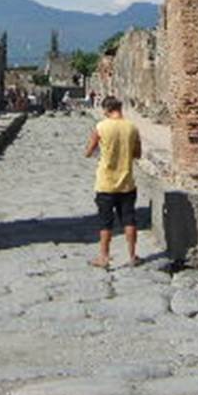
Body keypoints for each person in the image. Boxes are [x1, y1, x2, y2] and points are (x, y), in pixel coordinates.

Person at [85, 96, 142, 268]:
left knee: (105, 222)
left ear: (106, 110)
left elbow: (89, 151)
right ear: (120, 108)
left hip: (106, 183)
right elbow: (138, 154)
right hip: (126, 182)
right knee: (129, 219)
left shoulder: (101, 127)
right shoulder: (132, 127)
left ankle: (104, 257)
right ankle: (132, 255)